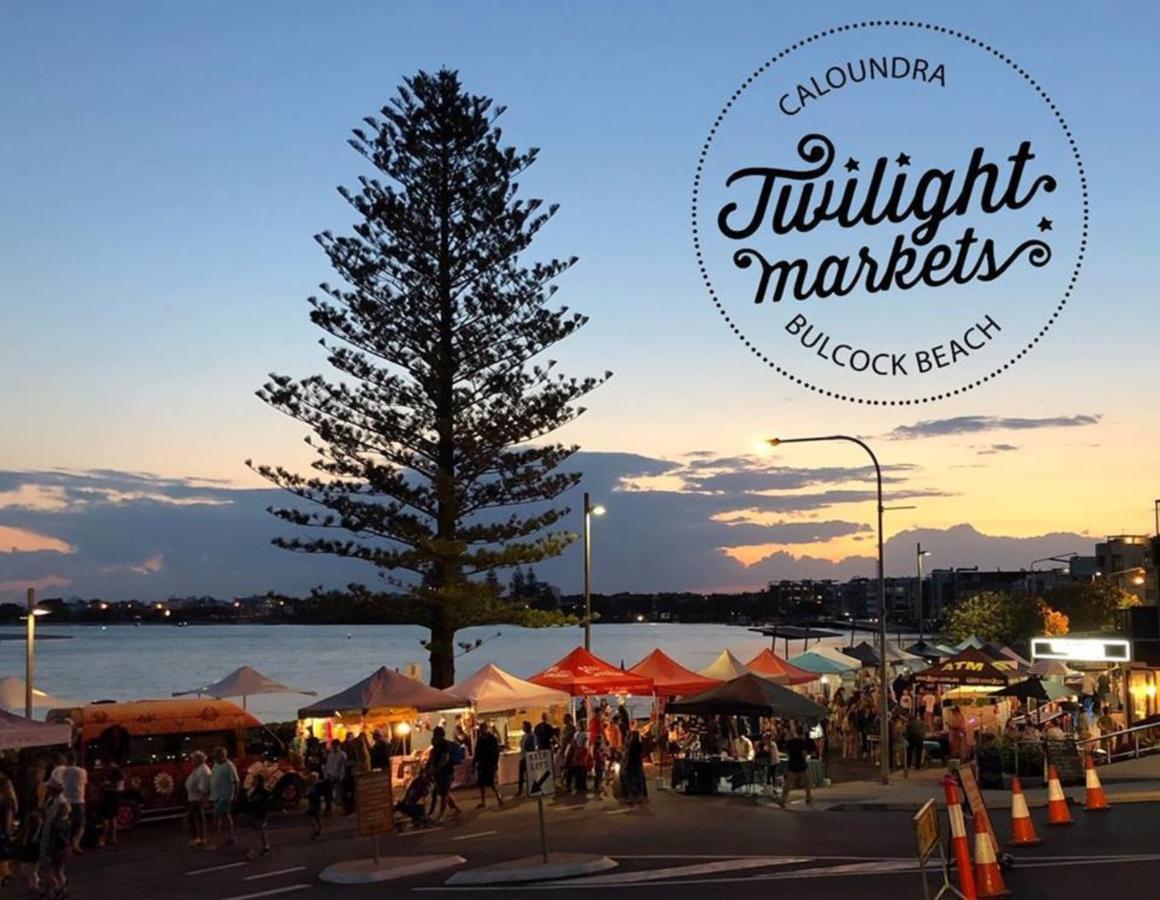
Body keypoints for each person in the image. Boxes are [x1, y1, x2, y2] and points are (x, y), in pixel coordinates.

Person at [49, 751, 87, 854]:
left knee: (66, 824)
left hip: (65, 801)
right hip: (78, 800)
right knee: (80, 824)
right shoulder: (82, 771)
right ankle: (76, 843)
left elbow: (54, 783)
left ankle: (65, 844)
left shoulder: (61, 771)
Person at [38, 781, 71, 899]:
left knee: (50, 870)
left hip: (55, 846)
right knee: (58, 870)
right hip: (63, 846)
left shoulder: (58, 805)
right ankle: (59, 888)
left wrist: (47, 852)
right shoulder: (54, 801)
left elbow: (49, 828)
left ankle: (58, 889)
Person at [427, 726, 461, 821]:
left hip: (446, 772)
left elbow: (445, 759)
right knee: (441, 792)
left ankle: (441, 815)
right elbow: (432, 757)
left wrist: (437, 768)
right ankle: (456, 809)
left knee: (444, 793)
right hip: (438, 772)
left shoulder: (445, 745)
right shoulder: (436, 744)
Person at [778, 724, 817, 807]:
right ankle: (808, 798)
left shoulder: (791, 742)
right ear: (802, 733)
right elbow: (805, 754)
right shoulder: (804, 742)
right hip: (802, 765)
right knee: (807, 783)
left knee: (788, 784)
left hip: (792, 765)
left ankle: (783, 799)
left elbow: (787, 752)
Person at [209, 747, 239, 848]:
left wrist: (235, 795)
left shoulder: (229, 766)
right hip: (216, 794)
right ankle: (230, 836)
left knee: (217, 816)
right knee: (225, 816)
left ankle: (215, 839)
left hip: (225, 795)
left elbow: (236, 781)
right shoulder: (216, 764)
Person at [184, 751, 212, 848]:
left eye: (193, 759)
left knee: (191, 818)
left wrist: (203, 798)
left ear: (198, 760)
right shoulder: (198, 769)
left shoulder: (203, 770)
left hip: (198, 798)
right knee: (199, 818)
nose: (192, 761)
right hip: (194, 797)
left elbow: (204, 786)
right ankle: (201, 838)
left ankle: (198, 838)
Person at [473, 723, 503, 809]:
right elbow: (477, 751)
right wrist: (475, 762)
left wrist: (495, 763)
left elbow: (495, 752)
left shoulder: (491, 738)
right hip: (482, 763)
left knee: (491, 782)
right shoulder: (480, 738)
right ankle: (483, 801)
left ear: (486, 729)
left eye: (482, 729)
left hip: (489, 763)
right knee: (481, 784)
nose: (481, 730)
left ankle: (498, 797)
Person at [96, 763, 125, 847]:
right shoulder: (121, 777)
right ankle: (113, 837)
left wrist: (105, 785)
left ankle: (103, 838)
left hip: (109, 798)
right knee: (113, 818)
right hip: (116, 798)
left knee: (105, 818)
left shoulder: (112, 779)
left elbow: (107, 786)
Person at [246, 774, 272, 858]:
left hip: (261, 813)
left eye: (255, 780)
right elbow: (249, 799)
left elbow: (268, 801)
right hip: (255, 813)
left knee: (256, 832)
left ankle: (252, 850)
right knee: (260, 831)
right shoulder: (253, 790)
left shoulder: (264, 791)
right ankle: (266, 846)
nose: (253, 781)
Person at [620, 730, 647, 805]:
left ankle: (631, 798)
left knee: (630, 781)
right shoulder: (639, 744)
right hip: (638, 764)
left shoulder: (630, 745)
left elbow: (627, 754)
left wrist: (624, 765)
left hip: (631, 764)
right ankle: (639, 797)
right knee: (638, 781)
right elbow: (642, 754)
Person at [322, 740, 347, 815]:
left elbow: (342, 767)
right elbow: (328, 765)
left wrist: (340, 776)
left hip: (338, 776)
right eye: (334, 746)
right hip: (330, 776)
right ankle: (328, 808)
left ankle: (343, 808)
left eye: (336, 746)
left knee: (340, 793)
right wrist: (327, 775)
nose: (335, 747)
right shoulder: (330, 754)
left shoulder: (342, 755)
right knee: (328, 793)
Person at [0, 774, 16, 886]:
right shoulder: (7, 802)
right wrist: (9, 833)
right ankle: (4, 876)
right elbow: (8, 822)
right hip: (2, 834)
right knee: (4, 858)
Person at [518, 721, 536, 796]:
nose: (522, 727)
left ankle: (531, 789)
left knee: (529, 775)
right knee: (521, 774)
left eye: (523, 726)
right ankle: (520, 790)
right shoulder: (524, 736)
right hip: (523, 757)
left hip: (528, 757)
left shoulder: (531, 736)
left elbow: (531, 747)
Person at [304, 772, 324, 839]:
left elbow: (311, 794)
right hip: (315, 803)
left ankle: (316, 829)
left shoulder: (314, 786)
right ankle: (319, 829)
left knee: (311, 817)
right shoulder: (317, 785)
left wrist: (308, 793)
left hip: (314, 804)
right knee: (317, 817)